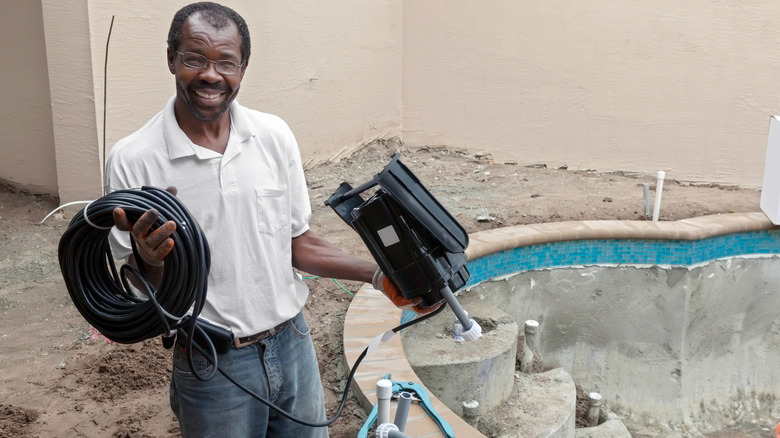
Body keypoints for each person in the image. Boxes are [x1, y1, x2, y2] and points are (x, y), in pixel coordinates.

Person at [104, 3, 434, 437]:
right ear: (171, 59)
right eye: (194, 59)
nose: (211, 75)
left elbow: (298, 242)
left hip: (292, 344)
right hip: (213, 363)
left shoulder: (273, 136)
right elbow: (141, 285)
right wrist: (152, 258)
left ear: (243, 69)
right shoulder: (134, 160)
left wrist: (380, 275)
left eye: (226, 62)